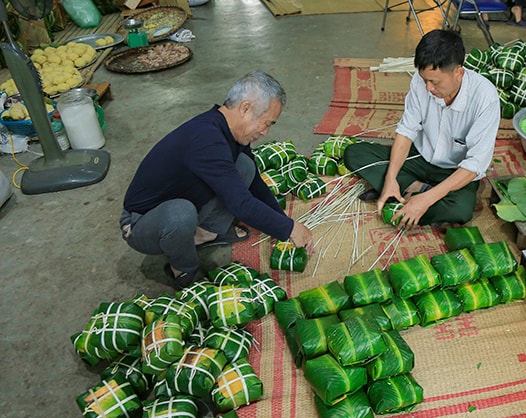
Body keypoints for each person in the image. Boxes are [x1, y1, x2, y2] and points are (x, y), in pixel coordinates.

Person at [120, 71, 314, 289]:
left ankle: (204, 235)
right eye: (266, 123)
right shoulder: (206, 139)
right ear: (246, 108)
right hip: (141, 223)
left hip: (183, 203)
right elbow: (241, 204)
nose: (266, 132)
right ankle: (183, 270)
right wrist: (290, 229)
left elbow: (255, 186)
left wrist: (283, 223)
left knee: (245, 166)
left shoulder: (229, 131)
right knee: (180, 214)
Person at [343, 29, 500, 229]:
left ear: (458, 73)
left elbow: (475, 164)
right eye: (424, 79)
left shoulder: (485, 98)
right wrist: (391, 178)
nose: (428, 88)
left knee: (461, 210)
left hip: (454, 171)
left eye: (434, 82)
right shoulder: (421, 82)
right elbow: (407, 131)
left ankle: (414, 199)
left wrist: (426, 200)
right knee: (354, 153)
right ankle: (411, 188)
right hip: (419, 158)